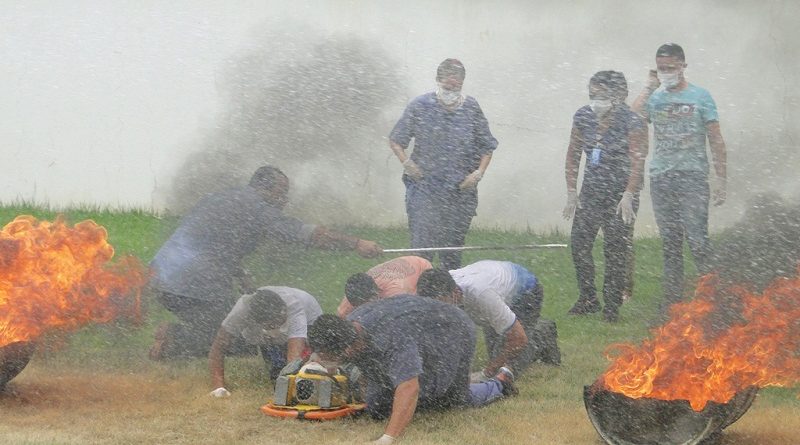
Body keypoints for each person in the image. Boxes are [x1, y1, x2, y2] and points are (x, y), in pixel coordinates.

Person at [148, 165, 382, 360]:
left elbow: (214, 241)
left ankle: (177, 339)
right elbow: (301, 233)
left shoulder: (222, 198)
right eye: (282, 194)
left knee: (220, 327)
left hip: (161, 277)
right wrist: (356, 243)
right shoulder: (257, 208)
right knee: (241, 338)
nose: (284, 201)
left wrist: (240, 274)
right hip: (194, 282)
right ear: (266, 190)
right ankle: (174, 339)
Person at [309, 299, 517, 444]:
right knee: (378, 407)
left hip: (452, 328)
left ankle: (500, 382)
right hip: (415, 325)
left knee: (447, 399)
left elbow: (409, 387)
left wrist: (388, 438)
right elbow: (366, 368)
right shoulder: (348, 329)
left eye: (332, 356)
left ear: (348, 347)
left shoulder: (394, 334)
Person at [631, 43, 727, 317]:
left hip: (693, 176)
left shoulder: (701, 96)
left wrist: (721, 178)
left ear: (683, 66)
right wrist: (650, 85)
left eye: (671, 68)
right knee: (670, 243)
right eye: (661, 68)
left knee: (698, 240)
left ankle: (714, 299)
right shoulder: (655, 97)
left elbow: (716, 139)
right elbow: (632, 115)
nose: (666, 73)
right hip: (662, 177)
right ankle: (673, 302)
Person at [389, 58, 498, 270]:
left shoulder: (471, 108)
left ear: (462, 82)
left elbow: (487, 146)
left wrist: (478, 173)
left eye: (457, 80)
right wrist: (407, 163)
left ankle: (450, 296)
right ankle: (419, 297)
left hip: (460, 192)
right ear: (438, 80)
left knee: (452, 252)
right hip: (425, 189)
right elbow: (396, 140)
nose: (452, 84)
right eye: (448, 79)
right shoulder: (420, 106)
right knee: (422, 252)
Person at [562, 71, 649, 322]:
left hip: (619, 193)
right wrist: (571, 190)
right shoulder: (583, 116)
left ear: (618, 96)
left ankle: (611, 305)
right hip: (591, 191)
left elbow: (637, 160)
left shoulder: (631, 120)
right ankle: (588, 297)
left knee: (615, 249)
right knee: (579, 244)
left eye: (601, 95)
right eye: (592, 95)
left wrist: (629, 193)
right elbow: (573, 153)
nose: (595, 100)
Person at [416, 261, 560, 379]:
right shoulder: (440, 289)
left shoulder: (481, 294)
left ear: (454, 293)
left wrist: (486, 373)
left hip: (526, 294)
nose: (436, 312)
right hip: (494, 287)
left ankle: (543, 333)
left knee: (506, 367)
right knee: (496, 354)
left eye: (440, 304)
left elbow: (519, 339)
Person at [208, 286, 322, 397]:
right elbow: (218, 348)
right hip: (264, 325)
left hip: (310, 319)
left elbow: (294, 358)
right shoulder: (241, 311)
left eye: (278, 322)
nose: (276, 327)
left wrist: (291, 387)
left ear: (283, 312)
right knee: (276, 372)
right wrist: (219, 387)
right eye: (271, 325)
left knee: (304, 368)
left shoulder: (294, 307)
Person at [336, 255, 432, 317]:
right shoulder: (353, 295)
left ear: (376, 293)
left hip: (421, 267)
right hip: (398, 271)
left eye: (366, 306)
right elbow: (341, 321)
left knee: (423, 310)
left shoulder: (395, 291)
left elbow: (402, 316)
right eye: (359, 307)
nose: (363, 311)